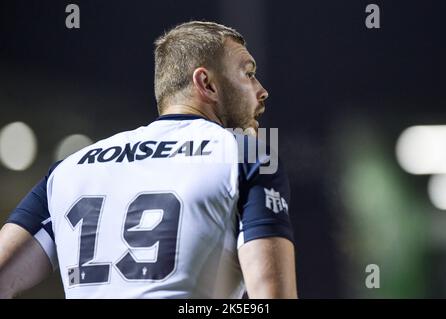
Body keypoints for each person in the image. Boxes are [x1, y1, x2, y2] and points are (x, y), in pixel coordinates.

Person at [0, 21, 297, 299]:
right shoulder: (245, 153)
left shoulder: (69, 168)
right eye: (248, 73)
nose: (262, 90)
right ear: (206, 83)